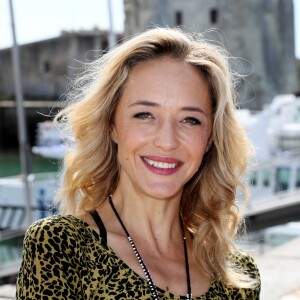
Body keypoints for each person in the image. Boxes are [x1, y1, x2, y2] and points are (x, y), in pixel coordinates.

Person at [16, 27, 260, 299]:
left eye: (190, 120)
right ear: (112, 125)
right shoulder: (62, 248)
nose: (167, 141)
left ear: (210, 139)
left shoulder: (238, 276)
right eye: (144, 115)